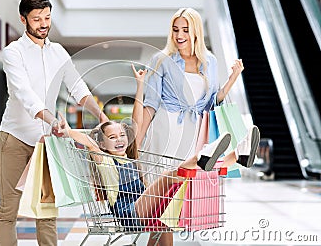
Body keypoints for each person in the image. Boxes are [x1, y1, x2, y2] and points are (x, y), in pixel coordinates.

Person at [57, 64, 259, 246]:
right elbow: (89, 143)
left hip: (144, 204)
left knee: (180, 190)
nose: (119, 140)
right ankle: (201, 157)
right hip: (130, 213)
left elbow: (137, 119)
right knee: (167, 176)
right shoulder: (104, 160)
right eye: (112, 137)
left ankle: (237, 155)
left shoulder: (130, 155)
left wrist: (140, 84)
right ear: (102, 143)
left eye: (121, 135)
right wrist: (68, 131)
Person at [135, 7, 260, 244]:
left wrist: (232, 80)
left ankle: (237, 154)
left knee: (173, 200)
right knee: (165, 199)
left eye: (185, 29)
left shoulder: (209, 61)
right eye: (175, 30)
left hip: (193, 133)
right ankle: (237, 154)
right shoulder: (160, 60)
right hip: (165, 130)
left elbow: (212, 103)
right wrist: (137, 144)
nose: (179, 35)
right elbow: (150, 105)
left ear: (196, 32)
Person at [0, 0, 108, 246]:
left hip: (46, 142)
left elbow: (78, 88)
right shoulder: (13, 53)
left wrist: (101, 116)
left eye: (47, 18)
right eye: (37, 19)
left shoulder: (59, 53)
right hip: (15, 138)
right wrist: (51, 119)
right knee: (8, 211)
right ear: (23, 20)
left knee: (47, 212)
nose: (43, 24)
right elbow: (25, 95)